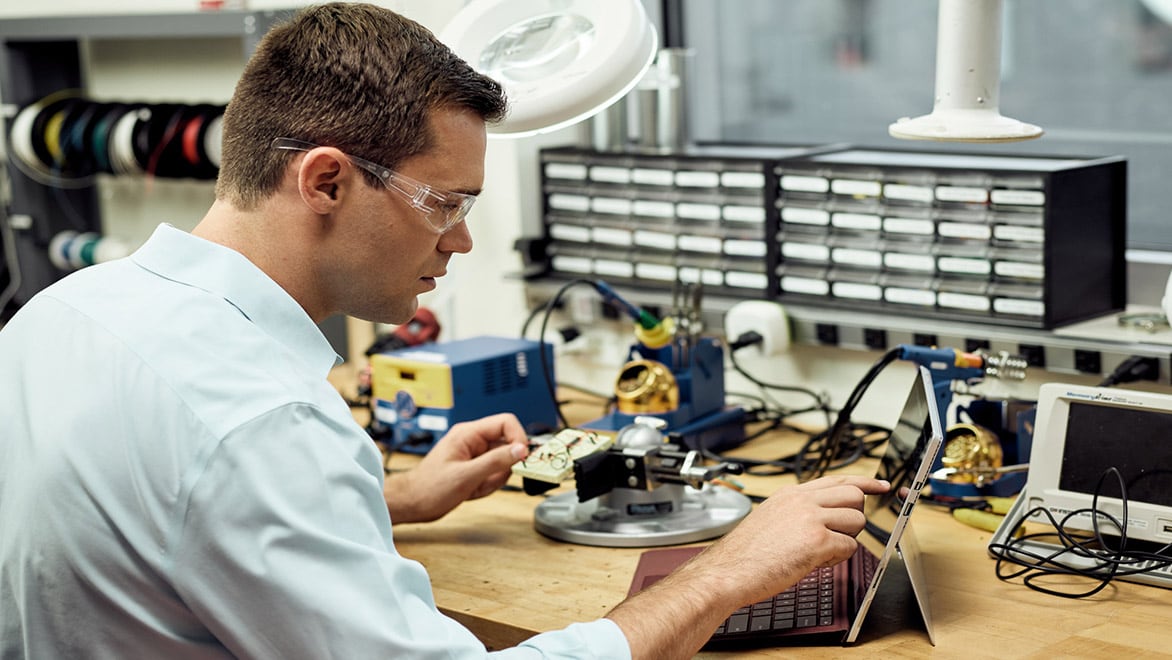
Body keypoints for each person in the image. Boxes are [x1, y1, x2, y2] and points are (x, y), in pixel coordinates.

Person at [0, 3, 889, 658]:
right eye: (446, 204)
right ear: (326, 182)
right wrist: (729, 572)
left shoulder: (61, 315)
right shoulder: (261, 422)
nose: (461, 240)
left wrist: (392, 503)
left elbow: (156, 514)